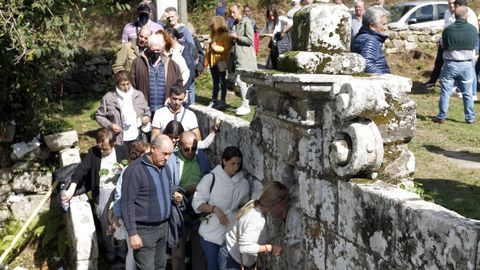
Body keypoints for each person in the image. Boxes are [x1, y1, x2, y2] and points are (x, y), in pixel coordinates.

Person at [62, 129, 129, 263]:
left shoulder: (122, 150)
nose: (102, 152)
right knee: (105, 222)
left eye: (106, 149)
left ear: (113, 144)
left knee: (120, 221)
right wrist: (72, 187)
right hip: (103, 191)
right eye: (101, 148)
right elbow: (81, 170)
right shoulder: (93, 153)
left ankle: (122, 251)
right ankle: (110, 251)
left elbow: (130, 166)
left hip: (120, 190)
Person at [121, 134, 175, 270]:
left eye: (170, 154)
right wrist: (132, 233)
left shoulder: (164, 167)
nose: (167, 158)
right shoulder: (134, 170)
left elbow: (166, 188)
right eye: (164, 154)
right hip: (144, 230)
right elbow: (127, 203)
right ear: (153, 148)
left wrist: (175, 194)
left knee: (161, 266)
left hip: (163, 228)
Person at [192, 146, 250, 270]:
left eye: (238, 164)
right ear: (224, 161)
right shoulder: (210, 178)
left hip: (232, 235)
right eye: (232, 163)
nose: (236, 167)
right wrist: (214, 209)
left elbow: (245, 207)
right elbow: (197, 203)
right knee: (213, 267)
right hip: (211, 234)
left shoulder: (243, 183)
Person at [218, 181, 289, 269]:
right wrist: (270, 248)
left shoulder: (256, 203)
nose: (283, 207)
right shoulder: (257, 219)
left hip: (230, 252)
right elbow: (244, 247)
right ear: (278, 203)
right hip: (232, 260)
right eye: (282, 204)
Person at [166, 131, 211, 270]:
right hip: (180, 207)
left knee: (199, 248)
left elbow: (209, 176)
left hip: (199, 206)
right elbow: (165, 184)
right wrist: (180, 191)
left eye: (194, 148)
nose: (191, 152)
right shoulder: (171, 160)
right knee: (179, 250)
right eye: (186, 149)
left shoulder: (201, 157)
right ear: (178, 146)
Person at [432, 6, 477, 125]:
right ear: (466, 16)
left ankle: (441, 116)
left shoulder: (448, 30)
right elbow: (474, 46)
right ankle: (470, 117)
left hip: (450, 64)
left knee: (445, 91)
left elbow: (443, 45)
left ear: (454, 16)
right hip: (467, 64)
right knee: (467, 93)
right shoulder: (472, 29)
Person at [111, 140, 151, 270]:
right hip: (131, 218)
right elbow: (119, 195)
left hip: (142, 217)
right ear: (140, 155)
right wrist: (118, 215)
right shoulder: (129, 171)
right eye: (147, 153)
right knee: (132, 252)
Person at [424, 0, 479, 89]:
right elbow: (446, 27)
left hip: (462, 43)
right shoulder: (447, 13)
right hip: (447, 41)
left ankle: (470, 90)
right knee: (441, 62)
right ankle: (434, 81)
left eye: (453, 3)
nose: (451, 5)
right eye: (449, 3)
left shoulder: (467, 12)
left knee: (468, 66)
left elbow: (473, 31)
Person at [130, 32, 183, 116]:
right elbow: (132, 85)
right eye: (153, 50)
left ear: (162, 48)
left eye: (158, 50)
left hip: (165, 109)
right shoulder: (138, 62)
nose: (155, 52)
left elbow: (179, 84)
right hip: (144, 109)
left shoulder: (172, 64)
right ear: (148, 47)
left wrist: (171, 97)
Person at [95, 71, 151, 148]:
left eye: (128, 84)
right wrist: (110, 125)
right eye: (123, 85)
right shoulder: (108, 98)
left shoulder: (139, 95)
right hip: (118, 138)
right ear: (117, 84)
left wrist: (147, 117)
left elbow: (147, 110)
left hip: (137, 136)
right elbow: (99, 116)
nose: (126, 87)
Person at [228, 4, 257, 116]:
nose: (231, 15)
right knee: (241, 81)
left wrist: (237, 37)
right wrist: (231, 39)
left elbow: (250, 40)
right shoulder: (234, 24)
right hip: (237, 56)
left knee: (241, 81)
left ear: (240, 11)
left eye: (233, 12)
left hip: (245, 57)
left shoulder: (247, 22)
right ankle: (244, 104)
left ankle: (246, 106)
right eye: (230, 13)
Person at [351, 6, 390, 74]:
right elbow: (367, 65)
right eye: (384, 24)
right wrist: (383, 79)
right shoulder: (371, 40)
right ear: (372, 26)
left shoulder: (362, 36)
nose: (386, 27)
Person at [165, 27, 198, 106]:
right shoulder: (168, 52)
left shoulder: (185, 52)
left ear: (174, 39)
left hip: (182, 91)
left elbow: (190, 74)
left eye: (166, 39)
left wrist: (183, 90)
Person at [207, 16, 231, 111]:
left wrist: (215, 47)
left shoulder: (225, 35)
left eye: (213, 24)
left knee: (222, 81)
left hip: (221, 61)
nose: (211, 26)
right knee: (215, 82)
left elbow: (226, 49)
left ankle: (222, 100)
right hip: (213, 61)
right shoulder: (213, 34)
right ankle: (214, 99)